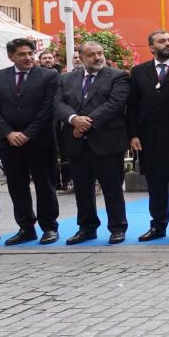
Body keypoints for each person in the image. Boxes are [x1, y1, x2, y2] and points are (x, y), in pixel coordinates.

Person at [55, 41, 130, 245]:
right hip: (77, 144)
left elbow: (115, 104)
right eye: (91, 55)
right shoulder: (67, 79)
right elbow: (58, 104)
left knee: (112, 188)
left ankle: (117, 227)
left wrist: (85, 123)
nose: (97, 58)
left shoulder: (118, 76)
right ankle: (87, 228)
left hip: (106, 142)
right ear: (80, 57)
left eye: (100, 53)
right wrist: (73, 120)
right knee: (82, 189)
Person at [127, 29, 169, 242]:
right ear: (151, 47)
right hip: (150, 138)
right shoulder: (138, 72)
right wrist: (133, 135)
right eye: (161, 41)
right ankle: (158, 225)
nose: (167, 43)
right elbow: (133, 106)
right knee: (155, 185)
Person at [0, 38, 61, 245]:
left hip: (40, 141)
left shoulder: (49, 76)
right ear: (10, 56)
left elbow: (48, 109)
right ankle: (26, 228)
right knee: (16, 186)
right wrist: (8, 133)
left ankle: (49, 227)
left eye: (30, 53)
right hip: (8, 143)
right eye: (22, 54)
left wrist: (28, 133)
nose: (28, 57)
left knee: (45, 185)